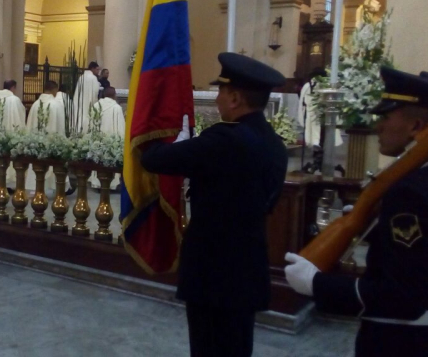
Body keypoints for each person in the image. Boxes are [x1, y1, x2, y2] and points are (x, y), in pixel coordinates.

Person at [140, 52, 288, 357]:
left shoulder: (225, 140)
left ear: (235, 98)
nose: (217, 98)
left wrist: (155, 124)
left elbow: (154, 159)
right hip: (247, 270)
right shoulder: (275, 144)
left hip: (214, 276)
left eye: (221, 91)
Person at [285, 67, 428, 357]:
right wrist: (380, 228)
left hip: (400, 339)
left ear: (415, 126)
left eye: (385, 117)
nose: (378, 126)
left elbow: (405, 297)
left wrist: (318, 284)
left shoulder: (408, 191)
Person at [26, 80, 67, 192]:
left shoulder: (35, 104)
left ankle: (35, 188)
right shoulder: (56, 105)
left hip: (36, 143)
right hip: (51, 144)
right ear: (54, 90)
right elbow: (61, 126)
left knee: (37, 165)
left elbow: (29, 125)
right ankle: (52, 187)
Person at [87, 87, 125, 190]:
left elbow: (91, 124)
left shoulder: (96, 106)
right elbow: (121, 127)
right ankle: (112, 183)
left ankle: (96, 182)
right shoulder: (116, 107)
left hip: (98, 140)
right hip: (112, 141)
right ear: (114, 96)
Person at [72, 61, 100, 133]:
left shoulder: (81, 77)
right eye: (97, 69)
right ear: (92, 69)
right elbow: (95, 92)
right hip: (89, 102)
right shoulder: (93, 78)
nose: (98, 71)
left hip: (80, 102)